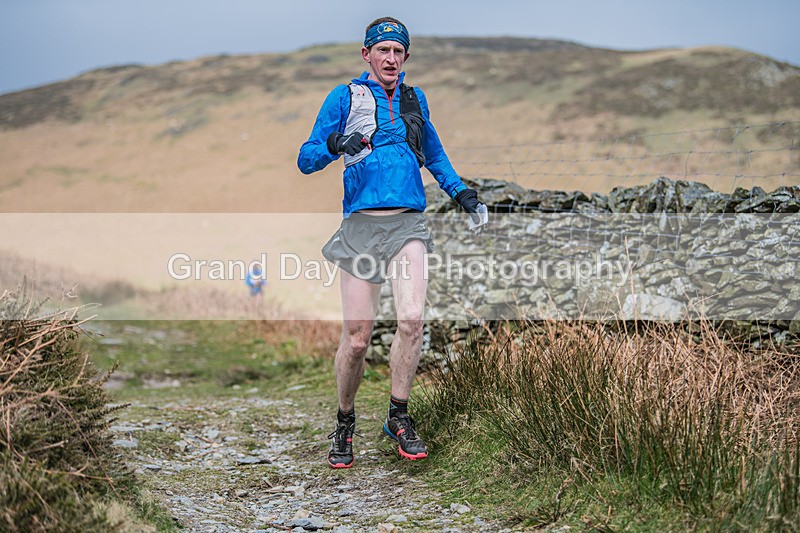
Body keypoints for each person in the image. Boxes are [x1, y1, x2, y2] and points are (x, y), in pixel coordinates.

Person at [297, 16, 488, 469]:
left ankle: (398, 416)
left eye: (399, 52)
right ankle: (345, 421)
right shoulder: (344, 96)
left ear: (405, 57)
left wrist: (462, 194)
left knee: (412, 320)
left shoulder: (414, 99)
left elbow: (435, 155)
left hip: (408, 225)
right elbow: (306, 159)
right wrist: (336, 143)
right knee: (359, 338)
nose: (391, 58)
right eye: (383, 50)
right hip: (361, 227)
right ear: (367, 54)